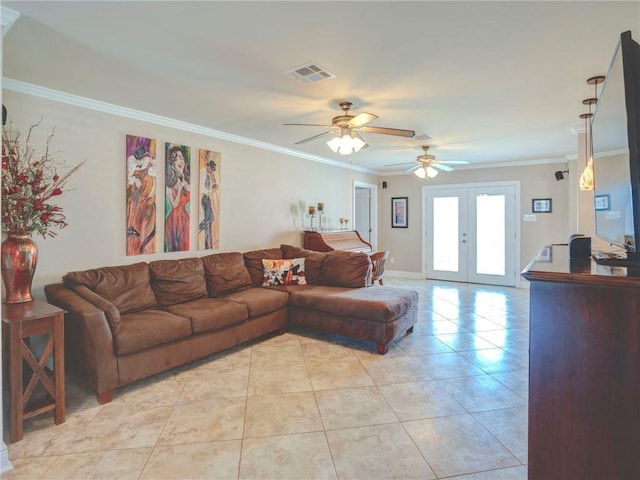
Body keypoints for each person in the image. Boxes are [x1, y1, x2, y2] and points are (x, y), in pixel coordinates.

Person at [126, 145, 156, 254]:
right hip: (135, 198)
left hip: (145, 199)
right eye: (138, 159)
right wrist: (134, 180)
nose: (139, 161)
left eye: (141, 159)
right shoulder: (132, 164)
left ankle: (143, 241)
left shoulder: (150, 166)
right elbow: (129, 179)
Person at [165, 146, 190, 251]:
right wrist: (179, 189)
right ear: (172, 163)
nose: (180, 161)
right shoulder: (169, 185)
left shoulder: (186, 182)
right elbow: (175, 205)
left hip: (185, 219)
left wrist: (183, 181)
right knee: (174, 247)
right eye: (176, 159)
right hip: (174, 220)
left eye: (181, 158)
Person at [198, 157, 218, 249]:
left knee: (211, 219)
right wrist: (209, 192)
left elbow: (208, 188)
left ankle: (208, 244)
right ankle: (198, 228)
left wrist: (213, 189)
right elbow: (201, 187)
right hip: (204, 198)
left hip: (208, 198)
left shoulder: (209, 175)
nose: (212, 172)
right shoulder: (202, 172)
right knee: (209, 219)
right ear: (209, 167)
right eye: (212, 170)